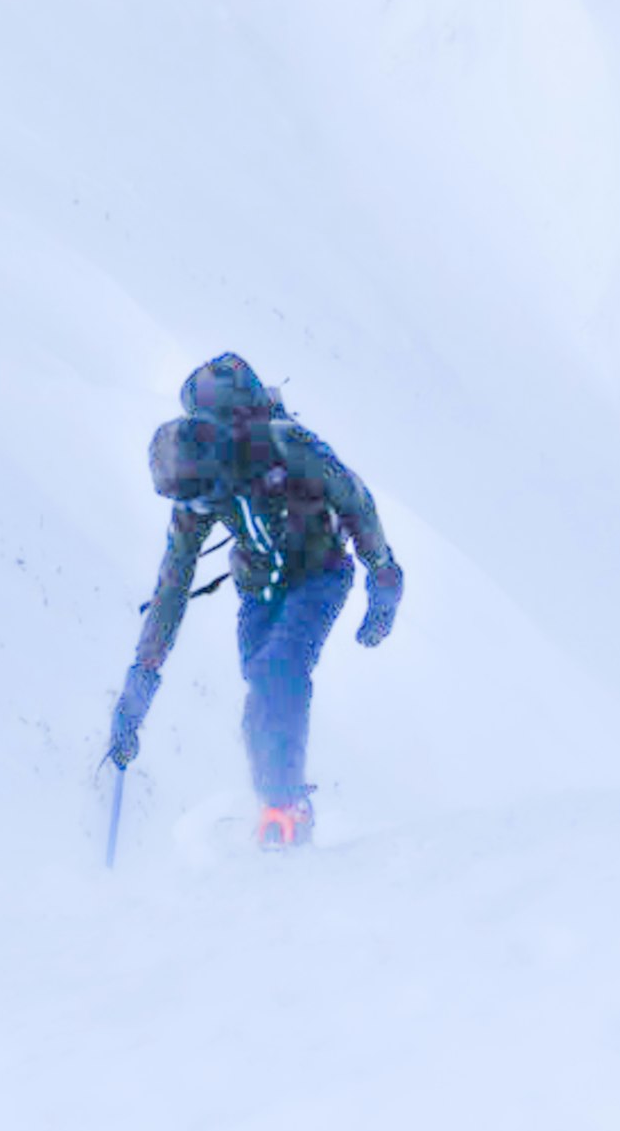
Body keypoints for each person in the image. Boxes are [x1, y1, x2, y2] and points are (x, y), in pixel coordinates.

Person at [103, 353, 402, 849]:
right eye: (189, 505)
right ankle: (274, 803)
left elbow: (353, 498)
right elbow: (172, 586)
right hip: (258, 587)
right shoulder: (194, 497)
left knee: (278, 672)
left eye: (201, 500)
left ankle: (287, 805)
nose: (197, 512)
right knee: (260, 689)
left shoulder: (283, 448)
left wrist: (384, 576)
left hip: (321, 572)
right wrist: (140, 685)